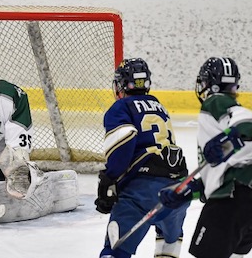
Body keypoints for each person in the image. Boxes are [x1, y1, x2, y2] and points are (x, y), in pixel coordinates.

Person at [95, 58, 190, 258]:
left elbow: (125, 139)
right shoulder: (159, 106)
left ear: (120, 85)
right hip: (177, 189)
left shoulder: (121, 107)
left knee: (115, 250)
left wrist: (110, 177)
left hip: (142, 191)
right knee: (168, 242)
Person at [159, 57, 252, 258]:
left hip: (229, 202)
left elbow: (247, 123)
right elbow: (222, 172)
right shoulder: (225, 123)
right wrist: (188, 191)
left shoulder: (215, 102)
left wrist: (226, 143)